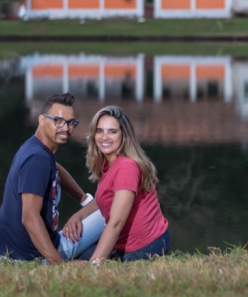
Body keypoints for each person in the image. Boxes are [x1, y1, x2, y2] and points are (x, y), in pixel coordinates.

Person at [0, 93, 105, 264]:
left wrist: (84, 199)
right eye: (58, 120)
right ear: (42, 120)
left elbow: (55, 168)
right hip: (30, 258)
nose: (66, 128)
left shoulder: (35, 149)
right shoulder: (38, 159)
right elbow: (29, 217)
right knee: (113, 207)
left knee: (100, 206)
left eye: (70, 123)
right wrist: (61, 267)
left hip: (9, 251)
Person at [65, 106, 170, 264]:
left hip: (146, 245)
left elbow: (116, 223)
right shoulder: (109, 163)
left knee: (87, 265)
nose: (104, 137)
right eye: (99, 131)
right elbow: (106, 199)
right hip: (121, 243)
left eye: (112, 131)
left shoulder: (127, 167)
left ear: (124, 135)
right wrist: (78, 216)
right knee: (79, 258)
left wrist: (93, 266)